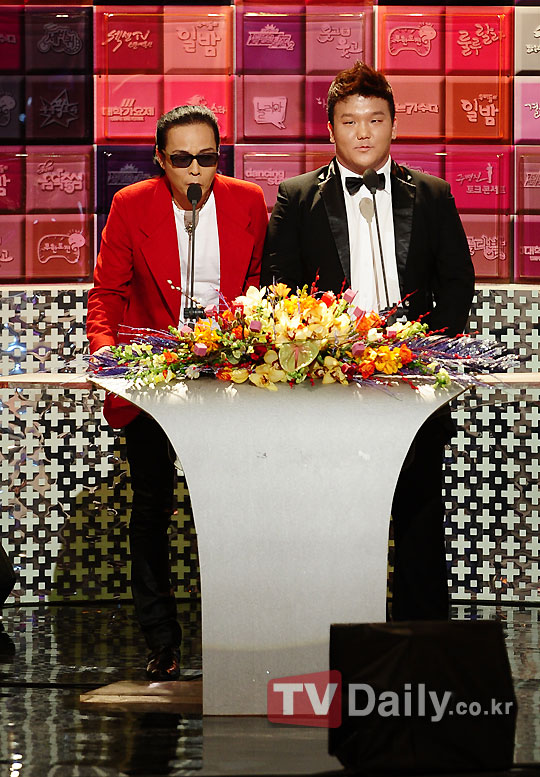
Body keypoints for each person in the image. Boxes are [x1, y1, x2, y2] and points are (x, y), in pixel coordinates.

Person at [261, 62, 475, 621]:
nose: (363, 132)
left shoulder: (432, 194)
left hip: (415, 381)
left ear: (393, 125)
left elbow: (457, 282)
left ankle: (421, 643)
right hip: (329, 384)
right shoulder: (296, 196)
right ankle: (328, 635)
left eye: (375, 120)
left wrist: (431, 355)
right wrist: (322, 353)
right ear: (330, 128)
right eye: (350, 121)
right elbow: (277, 289)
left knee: (420, 514)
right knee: (332, 517)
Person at [87, 105, 268, 680]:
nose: (196, 171)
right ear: (160, 160)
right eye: (183, 159)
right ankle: (162, 643)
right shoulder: (131, 204)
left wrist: (247, 349)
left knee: (238, 508)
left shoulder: (248, 201)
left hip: (229, 376)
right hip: (151, 376)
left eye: (207, 158)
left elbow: (260, 286)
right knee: (151, 508)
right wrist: (108, 358)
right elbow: (107, 294)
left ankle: (241, 635)